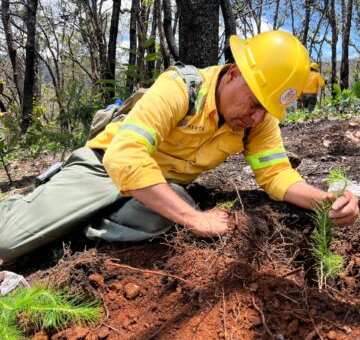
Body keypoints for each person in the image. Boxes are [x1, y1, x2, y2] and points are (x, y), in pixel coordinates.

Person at [0, 31, 358, 263]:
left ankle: (71, 226)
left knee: (164, 213)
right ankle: (32, 210)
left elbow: (277, 175)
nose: (256, 117)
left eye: (268, 109)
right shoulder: (180, 88)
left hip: (155, 188)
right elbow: (126, 156)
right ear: (232, 73)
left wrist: (323, 201)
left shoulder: (258, 122)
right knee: (7, 242)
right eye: (254, 102)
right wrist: (194, 219)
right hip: (102, 169)